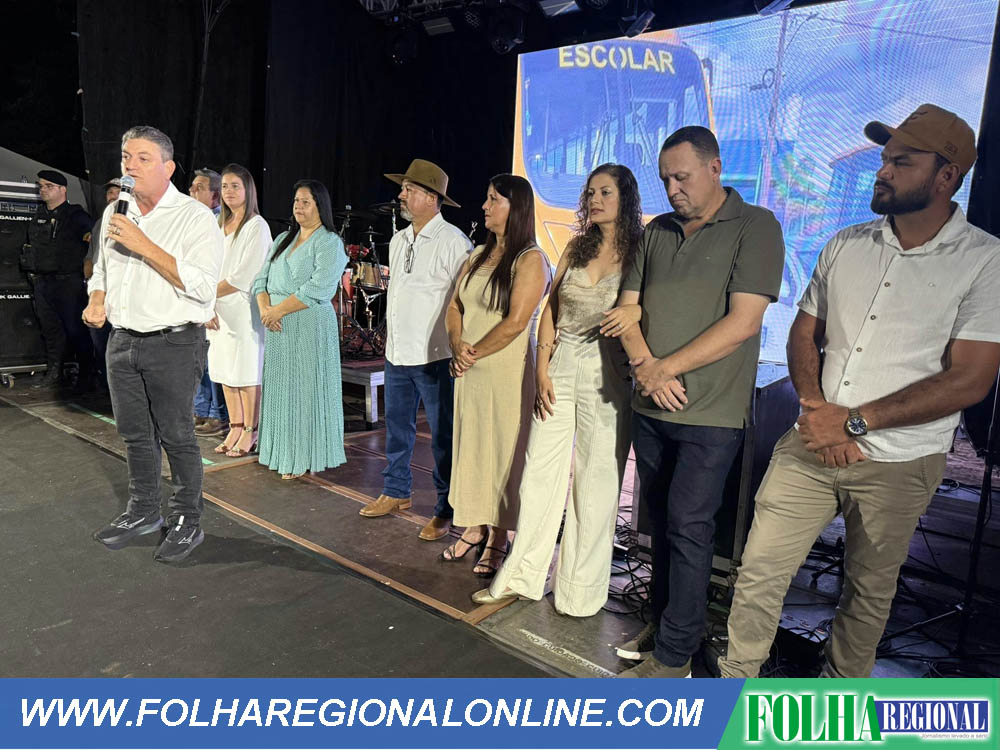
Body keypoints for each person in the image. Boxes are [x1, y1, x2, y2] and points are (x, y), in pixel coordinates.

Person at [718, 105, 1000, 679]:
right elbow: (804, 332)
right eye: (885, 159)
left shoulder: (984, 260)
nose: (883, 171)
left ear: (946, 175)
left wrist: (854, 423)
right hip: (811, 442)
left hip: (898, 462)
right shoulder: (846, 243)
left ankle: (836, 705)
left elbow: (970, 378)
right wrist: (818, 411)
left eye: (902, 162)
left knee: (867, 595)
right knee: (759, 572)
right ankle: (735, 685)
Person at [611, 127, 785, 677]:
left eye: (681, 177)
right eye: (665, 179)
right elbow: (626, 310)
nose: (672, 190)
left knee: (689, 526)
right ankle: (666, 624)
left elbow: (743, 323)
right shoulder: (656, 231)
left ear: (715, 168)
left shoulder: (756, 226)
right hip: (651, 406)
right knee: (661, 525)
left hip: (710, 412)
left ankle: (675, 655)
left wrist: (663, 369)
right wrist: (646, 368)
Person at [472, 164, 641, 614]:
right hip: (561, 364)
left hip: (610, 374)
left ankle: (579, 593)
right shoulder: (575, 247)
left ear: (626, 198)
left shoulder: (641, 253)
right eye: (591, 193)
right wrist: (543, 368)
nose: (595, 200)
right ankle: (522, 577)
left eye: (606, 192)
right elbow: (551, 309)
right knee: (538, 474)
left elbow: (643, 309)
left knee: (597, 482)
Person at [86, 125, 223, 563]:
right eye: (126, 156)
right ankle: (144, 510)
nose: (130, 165)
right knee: (134, 435)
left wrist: (143, 245)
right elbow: (103, 269)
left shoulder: (194, 217)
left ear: (169, 167)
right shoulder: (117, 211)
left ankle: (187, 519)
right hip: (122, 341)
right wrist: (97, 298)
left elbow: (203, 286)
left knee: (178, 436)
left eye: (143, 158)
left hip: (173, 343)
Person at [443, 174, 552, 577]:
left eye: (494, 200)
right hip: (469, 370)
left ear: (515, 207)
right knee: (471, 448)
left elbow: (517, 321)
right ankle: (474, 526)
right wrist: (458, 345)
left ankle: (499, 536)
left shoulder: (531, 260)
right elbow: (455, 306)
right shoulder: (477, 255)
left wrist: (472, 353)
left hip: (505, 372)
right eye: (487, 198)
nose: (485, 206)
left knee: (503, 451)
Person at [358, 159, 472, 542]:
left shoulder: (454, 242)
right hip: (398, 353)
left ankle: (445, 508)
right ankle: (396, 491)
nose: (401, 195)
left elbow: (463, 301)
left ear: (431, 197)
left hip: (435, 356)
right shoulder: (399, 239)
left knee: (442, 437)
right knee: (397, 428)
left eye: (408, 189)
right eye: (403, 188)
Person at [251, 180, 346, 479]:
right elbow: (260, 281)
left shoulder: (329, 242)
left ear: (320, 206)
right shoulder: (282, 239)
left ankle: (303, 455)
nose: (298, 206)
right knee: (282, 390)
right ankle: (280, 452)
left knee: (305, 390)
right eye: (296, 201)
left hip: (308, 325)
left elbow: (319, 287)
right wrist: (266, 311)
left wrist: (277, 311)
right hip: (278, 326)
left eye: (306, 201)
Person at [206, 164, 272, 457]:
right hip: (218, 310)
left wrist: (208, 293)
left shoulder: (256, 226)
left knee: (246, 371)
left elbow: (246, 274)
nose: (229, 191)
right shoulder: (218, 224)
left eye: (235, 186)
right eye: (225, 186)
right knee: (224, 370)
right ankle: (234, 426)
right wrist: (207, 304)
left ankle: (250, 430)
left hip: (244, 311)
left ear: (248, 190)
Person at [22, 169, 94, 391]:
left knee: (76, 330)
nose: (43, 190)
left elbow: (93, 243)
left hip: (69, 282)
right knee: (50, 330)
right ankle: (55, 374)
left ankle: (87, 377)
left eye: (49, 186)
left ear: (63, 189)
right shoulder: (39, 216)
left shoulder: (76, 216)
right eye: (40, 186)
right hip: (43, 282)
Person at [189, 167, 227, 434]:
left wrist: (210, 302)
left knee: (214, 360)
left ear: (215, 195)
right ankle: (201, 409)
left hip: (215, 299)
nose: (192, 191)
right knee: (198, 359)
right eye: (192, 186)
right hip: (193, 297)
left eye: (199, 188)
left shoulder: (221, 222)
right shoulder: (192, 220)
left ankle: (217, 413)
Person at [83, 178, 122, 390]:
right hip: (99, 293)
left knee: (117, 349)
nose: (112, 197)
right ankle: (107, 389)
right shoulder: (101, 222)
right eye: (110, 193)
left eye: (118, 192)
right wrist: (91, 287)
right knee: (100, 344)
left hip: (122, 296)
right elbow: (93, 258)